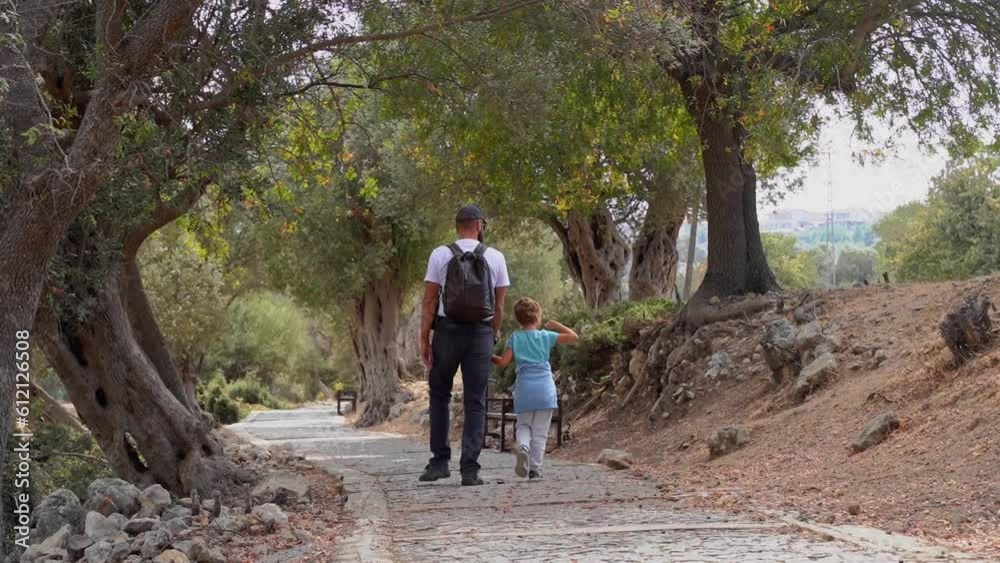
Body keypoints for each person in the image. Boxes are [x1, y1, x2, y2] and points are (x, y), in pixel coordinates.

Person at [420, 204, 510, 486]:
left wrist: (424, 338)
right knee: (476, 401)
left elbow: (430, 300)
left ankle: (439, 463)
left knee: (439, 395)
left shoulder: (440, 254)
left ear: (457, 226)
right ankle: (470, 469)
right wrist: (493, 335)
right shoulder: (495, 256)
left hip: (447, 331)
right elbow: (499, 306)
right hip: (480, 333)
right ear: (480, 225)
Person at [491, 297, 577, 480]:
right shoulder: (546, 336)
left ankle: (523, 447)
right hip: (545, 388)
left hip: (525, 388)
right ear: (537, 316)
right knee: (540, 432)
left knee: (523, 425)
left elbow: (503, 362)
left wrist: (486, 355)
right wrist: (555, 324)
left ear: (518, 318)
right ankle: (534, 470)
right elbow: (573, 337)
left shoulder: (515, 337)